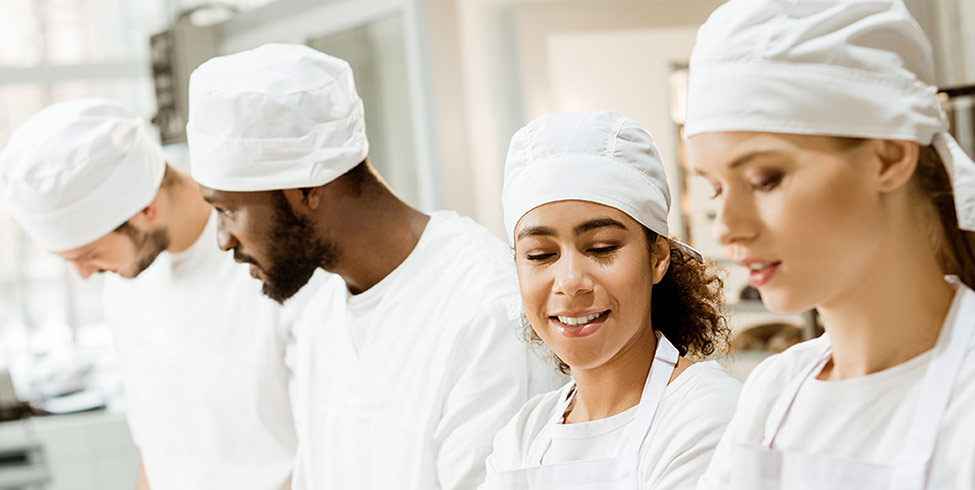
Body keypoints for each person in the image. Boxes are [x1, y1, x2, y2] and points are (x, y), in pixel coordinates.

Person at [184, 43, 563, 490]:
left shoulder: (486, 313)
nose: (222, 240)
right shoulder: (322, 312)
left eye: (227, 210)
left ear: (306, 190)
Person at [684, 1, 975, 489]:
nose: (726, 229)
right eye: (715, 189)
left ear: (888, 158)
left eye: (765, 179)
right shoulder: (774, 394)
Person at [0, 98, 313, 490]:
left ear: (146, 209)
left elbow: (330, 450)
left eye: (90, 255)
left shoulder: (277, 273)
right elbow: (157, 448)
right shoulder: (126, 286)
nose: (82, 276)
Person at [479, 110, 742, 490]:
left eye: (601, 248)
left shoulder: (708, 414)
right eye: (540, 254)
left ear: (657, 258)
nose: (570, 282)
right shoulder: (523, 434)